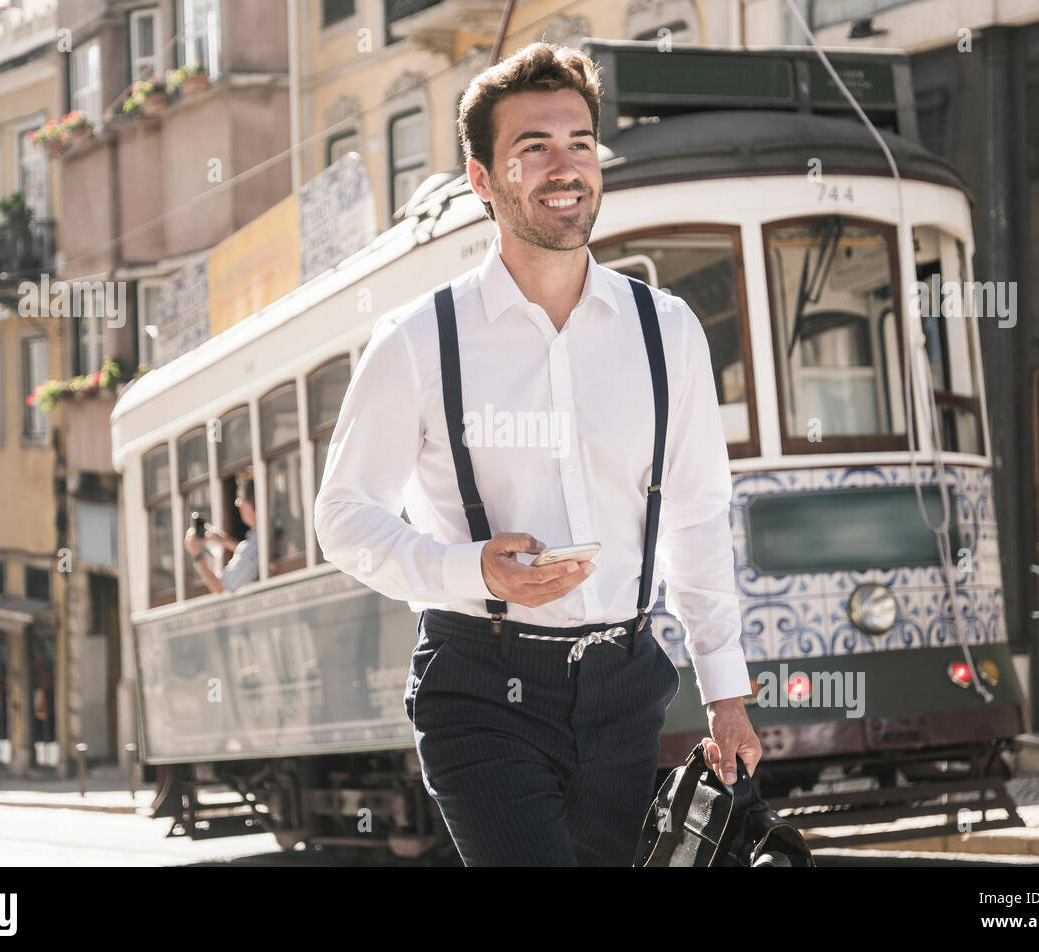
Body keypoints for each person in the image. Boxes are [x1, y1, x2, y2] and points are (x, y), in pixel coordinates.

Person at [313, 41, 759, 866]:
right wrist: (471, 569)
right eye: (535, 149)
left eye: (581, 143)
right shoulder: (417, 342)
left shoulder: (667, 333)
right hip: (480, 687)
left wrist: (724, 690)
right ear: (483, 179)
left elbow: (697, 513)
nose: (567, 167)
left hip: (627, 685)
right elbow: (341, 518)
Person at [184, 474, 259, 593]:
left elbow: (221, 588)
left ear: (250, 506)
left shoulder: (251, 547)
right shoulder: (261, 537)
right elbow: (253, 554)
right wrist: (224, 540)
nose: (238, 506)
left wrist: (196, 554)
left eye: (239, 501)